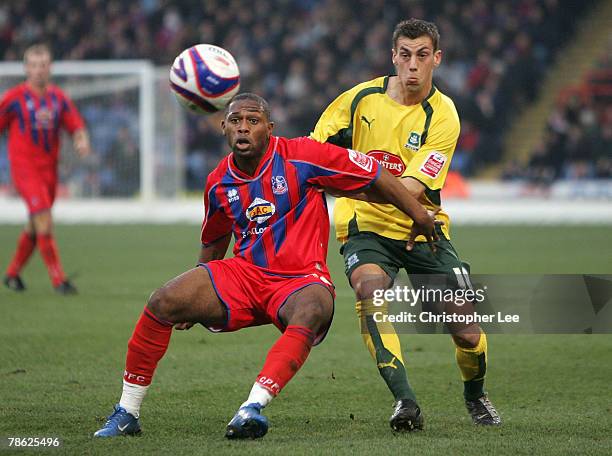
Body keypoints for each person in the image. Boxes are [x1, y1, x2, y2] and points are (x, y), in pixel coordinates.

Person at [93, 93, 439, 439]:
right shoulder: (218, 181)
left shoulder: (304, 155)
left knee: (314, 307)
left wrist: (419, 214)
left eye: (253, 121)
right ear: (224, 127)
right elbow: (214, 240)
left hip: (301, 279)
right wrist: (195, 293)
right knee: (162, 301)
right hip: (245, 276)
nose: (244, 128)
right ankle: (127, 412)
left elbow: (374, 173)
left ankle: (252, 407)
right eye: (236, 121)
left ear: (269, 129)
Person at [311, 18, 501, 430]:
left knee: (467, 331)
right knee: (370, 290)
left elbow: (413, 188)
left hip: (424, 228)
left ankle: (475, 395)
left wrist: (350, 187)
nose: (412, 65)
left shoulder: (444, 115)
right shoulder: (359, 100)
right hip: (365, 229)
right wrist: (334, 185)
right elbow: (313, 154)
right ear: (393, 57)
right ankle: (406, 402)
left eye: (421, 56)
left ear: (437, 59)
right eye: (404, 55)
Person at [1, 43, 91, 294]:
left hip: (49, 171)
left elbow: (76, 124)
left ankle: (12, 274)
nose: (39, 70)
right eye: (34, 65)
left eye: (43, 65)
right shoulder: (14, 98)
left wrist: (81, 139)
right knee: (43, 219)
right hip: (24, 170)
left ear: (49, 68)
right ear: (26, 68)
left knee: (35, 224)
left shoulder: (58, 98)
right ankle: (58, 280)